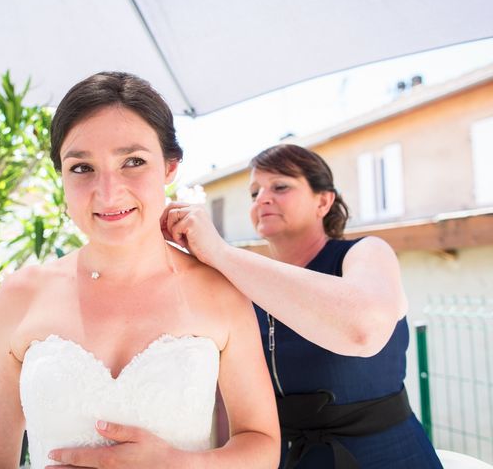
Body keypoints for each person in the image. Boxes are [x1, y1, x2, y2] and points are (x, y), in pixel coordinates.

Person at [0, 72, 280, 469]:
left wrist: (179, 465)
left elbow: (263, 445)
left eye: (133, 162)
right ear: (61, 175)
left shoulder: (219, 290)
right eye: (82, 168)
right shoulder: (20, 295)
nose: (109, 192)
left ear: (169, 168)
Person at [161, 144, 442, 468]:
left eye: (280, 186)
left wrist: (221, 253)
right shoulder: (243, 281)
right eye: (254, 193)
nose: (262, 198)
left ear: (323, 201)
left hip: (384, 456)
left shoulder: (366, 252)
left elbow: (365, 329)